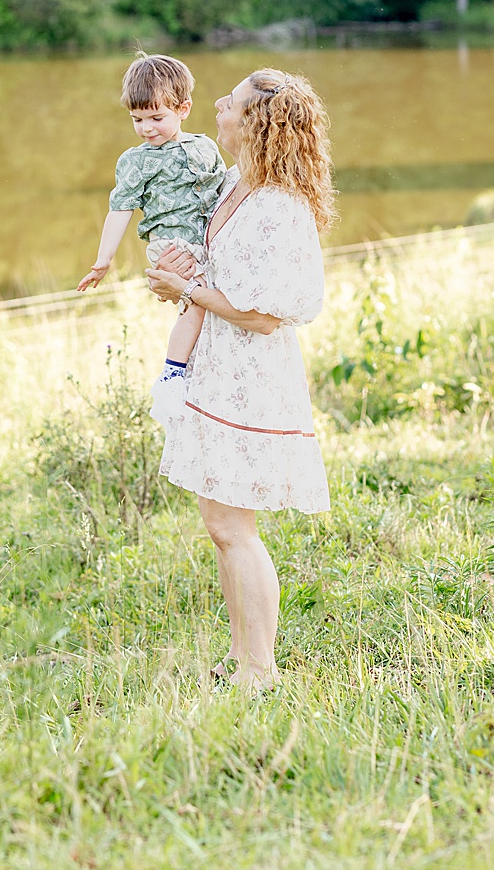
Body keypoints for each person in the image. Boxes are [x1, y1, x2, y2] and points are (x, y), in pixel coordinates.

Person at [146, 68, 335, 691]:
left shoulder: (281, 208)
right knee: (220, 527)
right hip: (215, 370)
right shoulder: (236, 185)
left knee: (234, 527)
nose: (219, 106)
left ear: (256, 124)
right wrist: (182, 271)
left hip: (251, 378)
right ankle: (240, 654)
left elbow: (264, 312)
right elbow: (225, 275)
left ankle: (261, 668)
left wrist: (189, 289)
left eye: (232, 102)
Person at [77, 53, 230, 422]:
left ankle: (207, 380)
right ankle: (173, 375)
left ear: (183, 108)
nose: (147, 128)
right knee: (197, 303)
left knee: (218, 306)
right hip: (171, 243)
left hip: (206, 239)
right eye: (137, 119)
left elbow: (223, 193)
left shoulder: (205, 147)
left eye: (156, 118)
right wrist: (104, 259)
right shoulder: (136, 160)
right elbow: (121, 209)